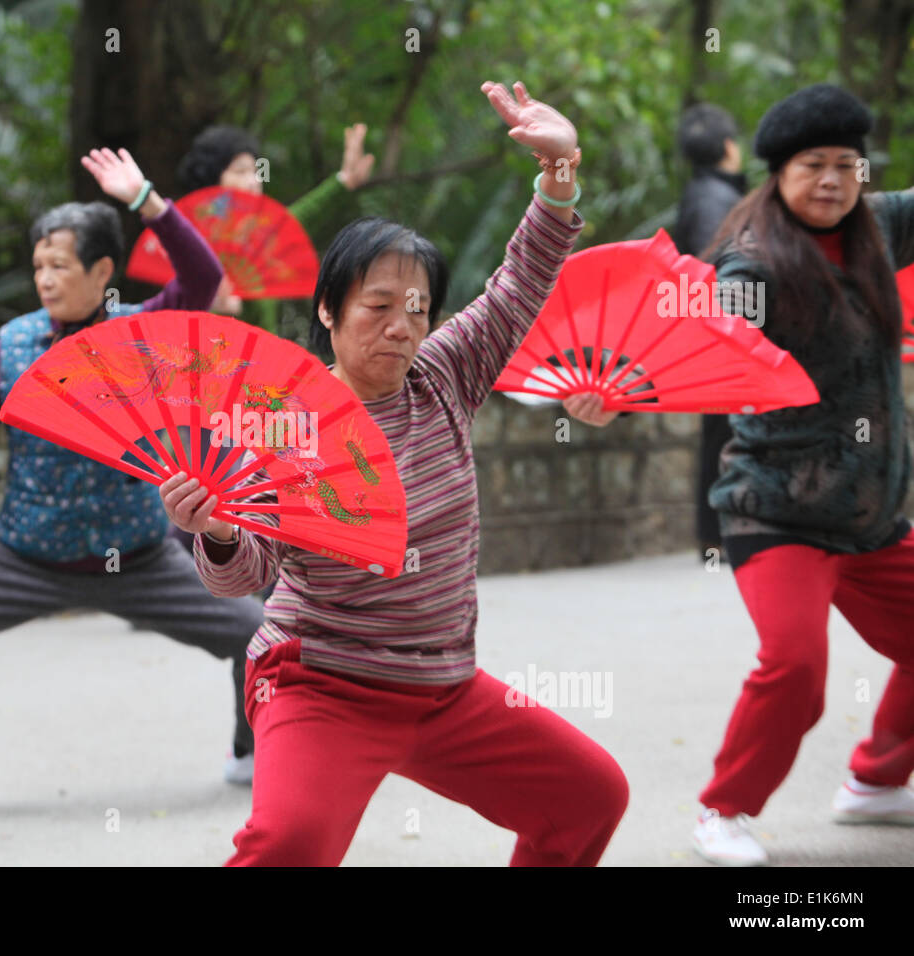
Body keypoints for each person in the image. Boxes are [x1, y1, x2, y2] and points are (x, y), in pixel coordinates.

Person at [161, 81, 628, 866]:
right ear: (328, 313)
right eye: (377, 306)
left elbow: (518, 286)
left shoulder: (442, 376)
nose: (402, 325)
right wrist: (211, 530)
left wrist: (556, 179)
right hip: (321, 684)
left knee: (588, 797)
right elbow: (248, 574)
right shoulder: (283, 422)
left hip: (445, 687)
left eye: (417, 308)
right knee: (290, 840)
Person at [0, 148, 263, 823]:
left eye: (59, 265)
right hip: (22, 558)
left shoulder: (139, 332)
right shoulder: (15, 346)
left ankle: (248, 752)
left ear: (101, 272)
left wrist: (146, 196)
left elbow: (205, 275)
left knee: (255, 630)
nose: (44, 279)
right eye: (38, 266)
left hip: (141, 557)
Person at [682, 84, 914, 865]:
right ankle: (722, 811)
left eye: (848, 166)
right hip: (776, 510)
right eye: (814, 165)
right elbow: (705, 353)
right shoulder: (750, 260)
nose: (833, 181)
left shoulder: (879, 229)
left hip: (872, 514)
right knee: (796, 667)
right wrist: (609, 400)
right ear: (778, 171)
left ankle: (876, 781)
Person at [176, 122, 376, 330]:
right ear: (213, 181)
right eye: (241, 172)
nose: (253, 181)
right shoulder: (193, 240)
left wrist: (344, 181)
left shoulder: (256, 234)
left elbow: (304, 214)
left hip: (263, 357)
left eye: (255, 171)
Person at [674, 103, 748, 558]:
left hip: (712, 329)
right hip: (724, 331)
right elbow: (712, 268)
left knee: (720, 430)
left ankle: (716, 535)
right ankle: (717, 535)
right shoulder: (718, 200)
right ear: (728, 148)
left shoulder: (704, 194)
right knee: (725, 431)